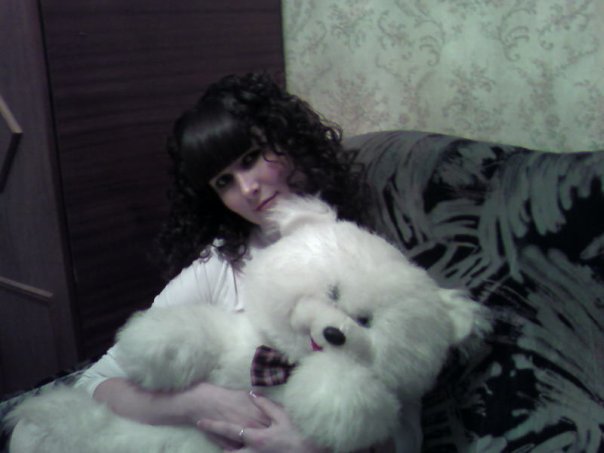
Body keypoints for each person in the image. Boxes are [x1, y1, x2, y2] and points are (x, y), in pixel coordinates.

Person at [73, 72, 422, 452]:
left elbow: (405, 427)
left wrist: (314, 448)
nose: (247, 188)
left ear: (287, 140)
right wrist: (197, 402)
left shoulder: (367, 255)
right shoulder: (220, 265)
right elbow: (95, 382)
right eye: (224, 182)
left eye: (251, 159)